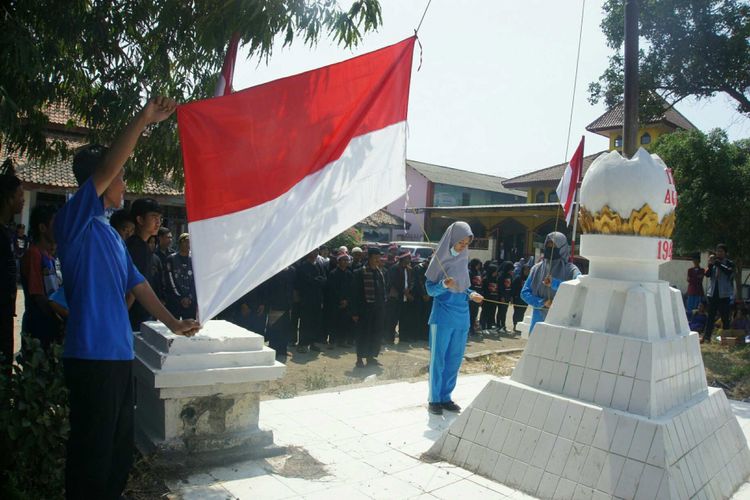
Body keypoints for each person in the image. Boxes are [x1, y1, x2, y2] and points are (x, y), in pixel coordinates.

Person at [53, 96, 200, 500]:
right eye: (120, 177)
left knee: (119, 452)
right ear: (100, 181)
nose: (124, 184)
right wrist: (144, 118)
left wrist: (174, 324)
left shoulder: (113, 237)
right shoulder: (75, 222)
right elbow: (106, 168)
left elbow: (140, 286)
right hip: (89, 356)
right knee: (91, 454)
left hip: (119, 357)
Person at [424, 221, 483, 415]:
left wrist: (472, 294)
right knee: (438, 360)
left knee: (454, 360)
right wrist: (443, 284)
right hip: (442, 318)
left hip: (461, 318)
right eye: (460, 243)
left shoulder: (462, 260)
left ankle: (446, 397)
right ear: (451, 240)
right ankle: (434, 399)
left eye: (466, 244)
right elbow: (430, 290)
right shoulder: (439, 260)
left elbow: (463, 288)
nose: (463, 247)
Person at [20, 205, 63, 349]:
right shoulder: (33, 254)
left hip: (50, 324)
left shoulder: (50, 257)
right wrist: (60, 315)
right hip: (38, 326)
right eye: (54, 224)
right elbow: (38, 295)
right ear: (42, 228)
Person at [521, 232, 581, 334]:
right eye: (548, 245)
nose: (550, 249)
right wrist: (542, 302)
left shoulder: (571, 270)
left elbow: (579, 287)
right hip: (538, 320)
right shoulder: (536, 269)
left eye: (554, 246)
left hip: (561, 322)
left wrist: (555, 283)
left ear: (562, 248)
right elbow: (524, 293)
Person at [0, 160, 23, 377]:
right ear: (8, 199)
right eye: (19, 196)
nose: (23, 201)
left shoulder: (8, 232)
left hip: (7, 310)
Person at [126, 198, 163, 331]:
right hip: (134, 317)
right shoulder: (138, 247)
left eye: (160, 218)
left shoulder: (139, 245)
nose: (158, 222)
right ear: (140, 220)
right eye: (153, 217)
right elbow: (133, 289)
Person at [351, 247, 387, 368]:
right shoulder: (360, 272)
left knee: (376, 333)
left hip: (378, 309)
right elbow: (354, 294)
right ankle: (360, 358)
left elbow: (382, 291)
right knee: (363, 334)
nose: (378, 260)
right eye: (375, 258)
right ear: (369, 258)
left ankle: (371, 357)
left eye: (379, 258)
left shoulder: (379, 272)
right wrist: (355, 312)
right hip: (364, 309)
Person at [703, 244, 735, 343]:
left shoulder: (729, 263)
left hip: (724, 295)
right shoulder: (714, 263)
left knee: (725, 317)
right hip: (713, 294)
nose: (719, 253)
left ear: (725, 253)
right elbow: (707, 274)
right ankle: (707, 337)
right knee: (710, 317)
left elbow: (729, 272)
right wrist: (710, 264)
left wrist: (718, 264)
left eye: (721, 251)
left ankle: (725, 339)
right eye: (718, 251)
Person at [296, 248, 326, 352]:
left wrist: (316, 281)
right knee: (306, 321)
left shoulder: (319, 265)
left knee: (316, 321)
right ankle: (303, 344)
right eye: (313, 251)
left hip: (317, 297)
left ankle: (313, 342)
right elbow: (305, 281)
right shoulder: (302, 267)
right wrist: (316, 280)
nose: (315, 253)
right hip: (306, 298)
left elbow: (324, 279)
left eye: (317, 251)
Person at [265, 267, 296, 362]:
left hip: (287, 304)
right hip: (275, 304)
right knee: (275, 328)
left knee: (285, 328)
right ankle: (274, 350)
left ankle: (283, 349)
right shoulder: (273, 269)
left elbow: (292, 287)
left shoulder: (291, 270)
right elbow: (269, 288)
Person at [165, 233, 197, 320]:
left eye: (190, 242)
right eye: (186, 242)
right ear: (180, 243)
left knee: (189, 328)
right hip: (175, 300)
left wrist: (189, 297)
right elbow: (170, 279)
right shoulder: (171, 259)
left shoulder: (194, 259)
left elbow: (196, 280)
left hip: (190, 301)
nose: (188, 244)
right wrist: (181, 297)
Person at [326, 252, 354, 347]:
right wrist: (340, 300)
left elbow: (351, 289)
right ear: (339, 261)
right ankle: (332, 341)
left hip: (347, 302)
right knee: (334, 322)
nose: (346, 262)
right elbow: (332, 289)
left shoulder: (349, 273)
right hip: (335, 302)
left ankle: (342, 341)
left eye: (347, 260)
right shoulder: (333, 273)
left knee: (344, 322)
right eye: (344, 260)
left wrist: (347, 300)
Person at [511, 263, 530, 333]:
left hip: (525, 299)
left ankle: (519, 326)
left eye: (528, 270)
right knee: (517, 312)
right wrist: (512, 297)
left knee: (522, 312)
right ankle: (515, 325)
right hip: (517, 298)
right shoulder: (518, 278)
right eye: (526, 270)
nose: (527, 272)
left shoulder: (529, 279)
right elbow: (513, 288)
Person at [496, 261, 514, 333]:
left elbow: (511, 286)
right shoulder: (501, 276)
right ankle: (499, 325)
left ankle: (503, 325)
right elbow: (500, 287)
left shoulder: (510, 276)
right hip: (502, 296)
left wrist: (511, 296)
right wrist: (502, 296)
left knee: (505, 311)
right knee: (501, 311)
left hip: (508, 295)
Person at [480, 263, 499, 331]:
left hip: (494, 299)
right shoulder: (485, 279)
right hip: (487, 300)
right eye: (495, 271)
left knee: (492, 313)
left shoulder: (496, 279)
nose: (496, 273)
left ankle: (489, 326)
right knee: (485, 313)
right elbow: (483, 290)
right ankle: (483, 327)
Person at [468, 258, 483, 335]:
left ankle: (473, 328)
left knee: (475, 313)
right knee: (470, 313)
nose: (479, 266)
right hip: (471, 296)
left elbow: (480, 285)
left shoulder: (478, 272)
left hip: (478, 295)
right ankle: (469, 329)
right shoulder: (469, 272)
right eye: (478, 264)